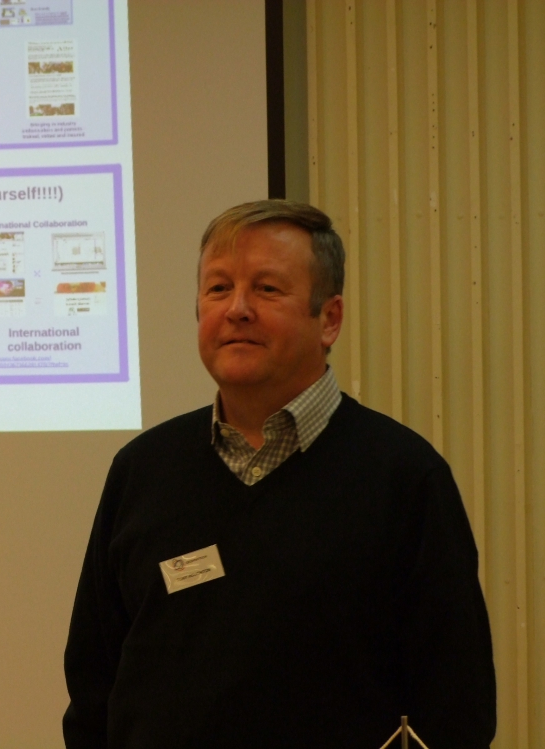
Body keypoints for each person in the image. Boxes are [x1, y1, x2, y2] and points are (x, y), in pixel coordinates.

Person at [63, 200, 496, 748]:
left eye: (267, 289)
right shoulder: (141, 470)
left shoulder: (405, 478)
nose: (237, 309)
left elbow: (456, 705)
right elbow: (94, 686)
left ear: (329, 319)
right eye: (219, 288)